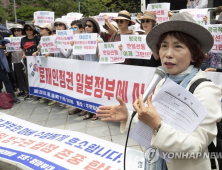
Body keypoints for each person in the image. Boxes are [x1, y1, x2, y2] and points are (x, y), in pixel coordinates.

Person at [96, 12, 221, 170]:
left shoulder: (206, 90)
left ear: (194, 54)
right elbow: (154, 125)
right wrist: (128, 116)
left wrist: (157, 126)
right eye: (164, 46)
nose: (168, 54)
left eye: (178, 46)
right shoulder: (163, 81)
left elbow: (196, 146)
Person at [80, 16, 104, 120]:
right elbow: (81, 56)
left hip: (96, 68)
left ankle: (97, 111)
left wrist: (99, 47)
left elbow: (102, 56)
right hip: (86, 67)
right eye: (85, 25)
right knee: (88, 89)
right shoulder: (82, 38)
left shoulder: (99, 39)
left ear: (94, 27)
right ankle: (89, 111)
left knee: (96, 90)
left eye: (89, 26)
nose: (87, 27)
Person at [21, 24, 40, 100]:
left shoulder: (37, 39)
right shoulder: (23, 39)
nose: (28, 31)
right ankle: (30, 92)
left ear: (33, 30)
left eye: (30, 29)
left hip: (36, 59)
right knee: (28, 76)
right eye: (27, 29)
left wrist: (36, 52)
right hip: (27, 60)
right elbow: (22, 49)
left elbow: (40, 48)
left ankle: (38, 92)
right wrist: (23, 54)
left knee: (37, 75)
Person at [0, 36, 20, 103]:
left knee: (6, 80)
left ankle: (12, 96)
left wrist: (4, 48)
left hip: (1, 63)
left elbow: (4, 44)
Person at [10, 24, 28, 97]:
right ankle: (21, 90)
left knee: (25, 75)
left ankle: (27, 90)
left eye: (18, 30)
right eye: (15, 30)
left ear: (22, 31)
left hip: (24, 58)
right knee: (18, 75)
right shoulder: (11, 39)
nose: (16, 32)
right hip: (15, 59)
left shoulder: (25, 38)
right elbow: (9, 49)